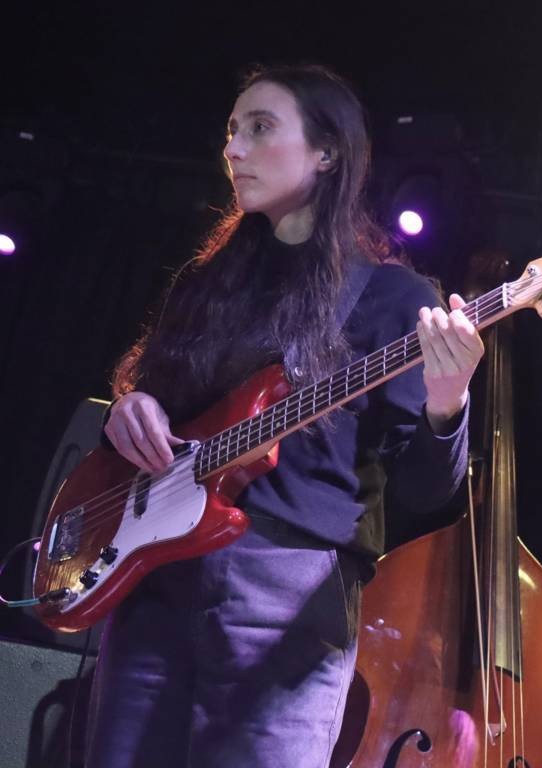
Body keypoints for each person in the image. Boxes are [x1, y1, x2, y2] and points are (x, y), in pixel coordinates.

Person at [88, 64, 484, 767]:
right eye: (232, 130)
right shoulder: (207, 284)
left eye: (260, 128)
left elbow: (428, 493)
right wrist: (130, 407)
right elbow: (151, 419)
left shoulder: (394, 300)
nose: (233, 148)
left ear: (327, 152)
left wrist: (447, 400)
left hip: (285, 594)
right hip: (158, 579)